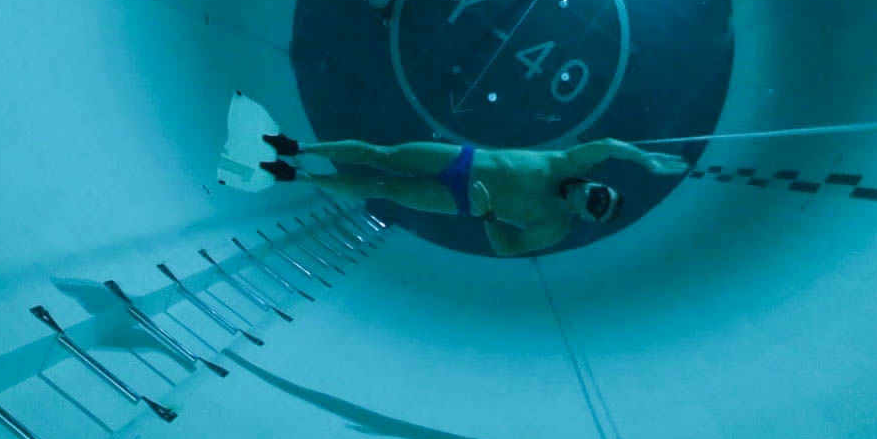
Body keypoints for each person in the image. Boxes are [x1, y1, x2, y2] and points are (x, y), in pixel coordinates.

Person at [255, 133, 689, 257]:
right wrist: (645, 160)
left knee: (380, 187)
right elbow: (610, 145)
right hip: (463, 161)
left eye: (598, 210)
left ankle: (300, 178)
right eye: (602, 195)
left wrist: (488, 216)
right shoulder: (569, 162)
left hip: (463, 202)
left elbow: (509, 247)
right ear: (599, 184)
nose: (593, 200)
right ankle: (300, 149)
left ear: (589, 221)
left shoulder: (555, 226)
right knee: (381, 154)